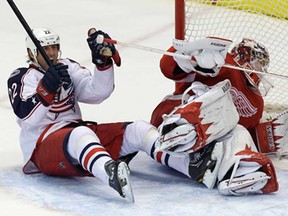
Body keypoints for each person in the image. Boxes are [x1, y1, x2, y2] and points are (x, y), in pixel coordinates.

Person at [7, 28, 278, 202]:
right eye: (47, 49)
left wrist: (102, 63)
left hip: (76, 138)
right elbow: (24, 115)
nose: (52, 54)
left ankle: (193, 166)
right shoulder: (22, 77)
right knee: (80, 133)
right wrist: (46, 88)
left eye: (55, 48)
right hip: (42, 147)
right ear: (33, 52)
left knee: (136, 129)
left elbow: (97, 92)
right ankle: (110, 172)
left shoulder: (66, 67)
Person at [150, 37, 288, 159]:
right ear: (245, 57)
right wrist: (188, 58)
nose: (261, 70)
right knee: (214, 99)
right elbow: (167, 68)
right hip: (168, 121)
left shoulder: (257, 103)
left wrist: (267, 137)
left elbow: (245, 134)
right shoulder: (225, 63)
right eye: (259, 64)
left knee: (234, 129)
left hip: (201, 146)